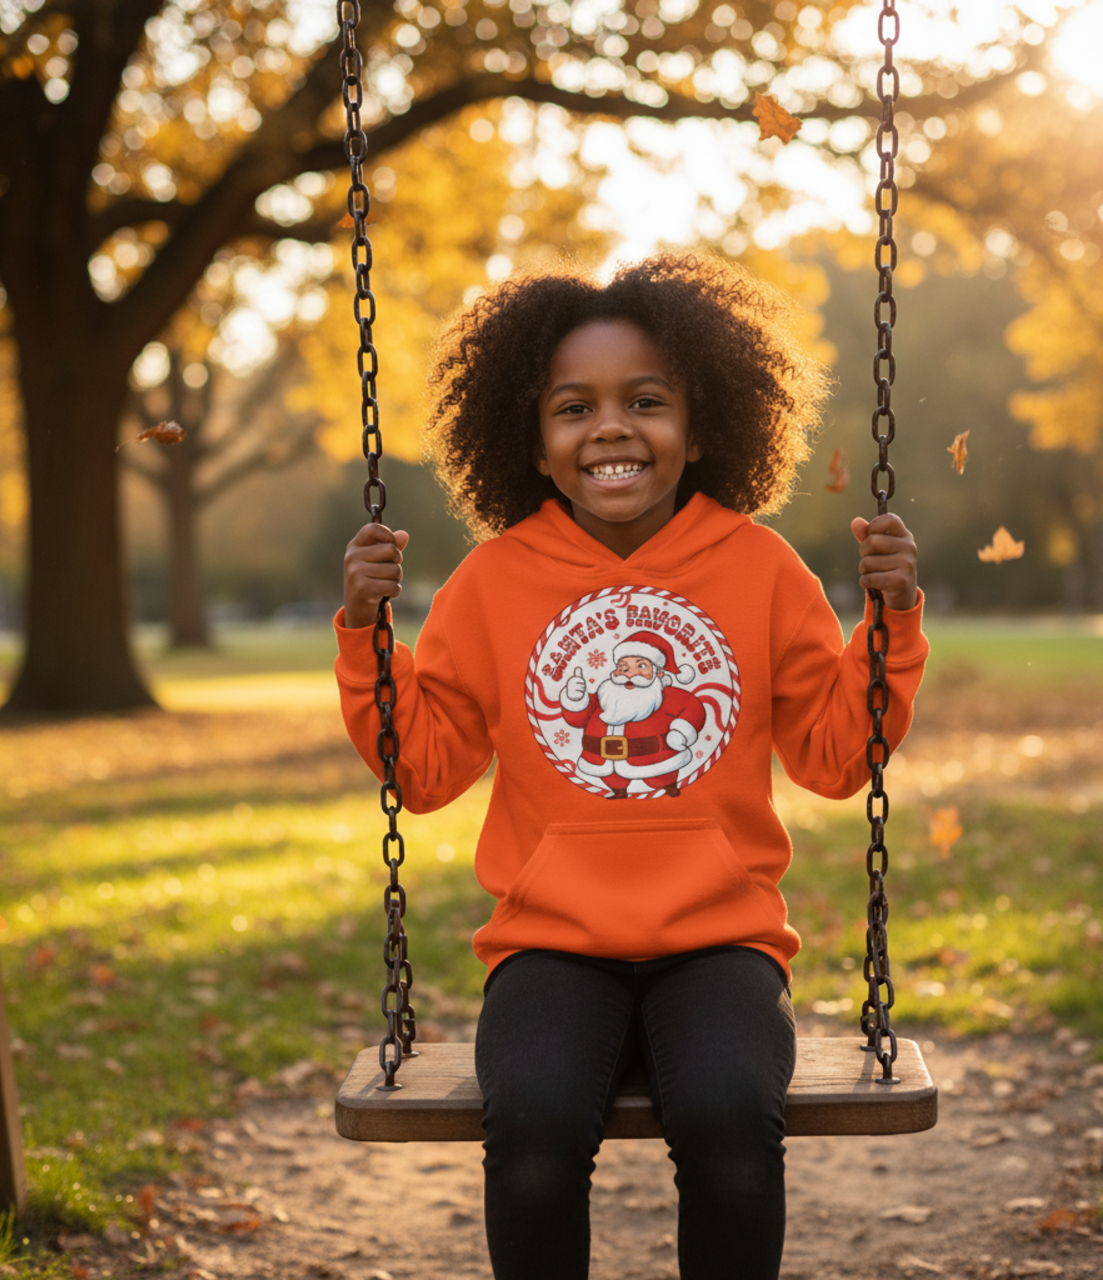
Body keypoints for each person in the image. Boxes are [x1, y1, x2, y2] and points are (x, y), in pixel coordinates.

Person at [336, 254, 927, 1280]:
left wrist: (887, 621)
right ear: (532, 440)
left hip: (719, 941)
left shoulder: (758, 566)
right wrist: (361, 629)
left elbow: (836, 759)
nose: (609, 426)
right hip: (551, 944)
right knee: (527, 1133)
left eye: (644, 400)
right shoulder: (492, 582)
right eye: (574, 406)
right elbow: (422, 770)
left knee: (731, 1128)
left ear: (699, 429)